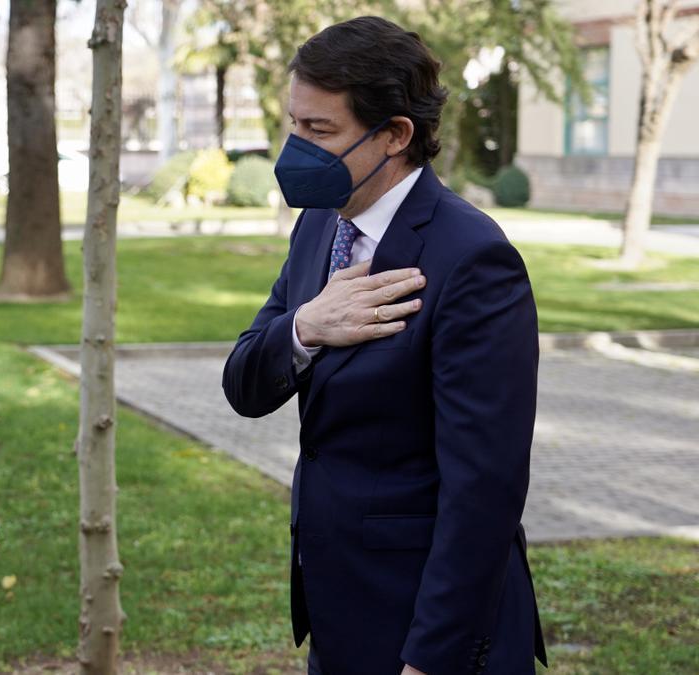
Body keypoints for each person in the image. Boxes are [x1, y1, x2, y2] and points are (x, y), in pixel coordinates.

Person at [222, 17, 546, 675]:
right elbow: (244, 384)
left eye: (320, 132)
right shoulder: (320, 223)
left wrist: (429, 658)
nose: (296, 149)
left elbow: (483, 490)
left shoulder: (473, 258)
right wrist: (306, 326)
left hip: (427, 634)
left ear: (396, 134)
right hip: (339, 616)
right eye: (294, 124)